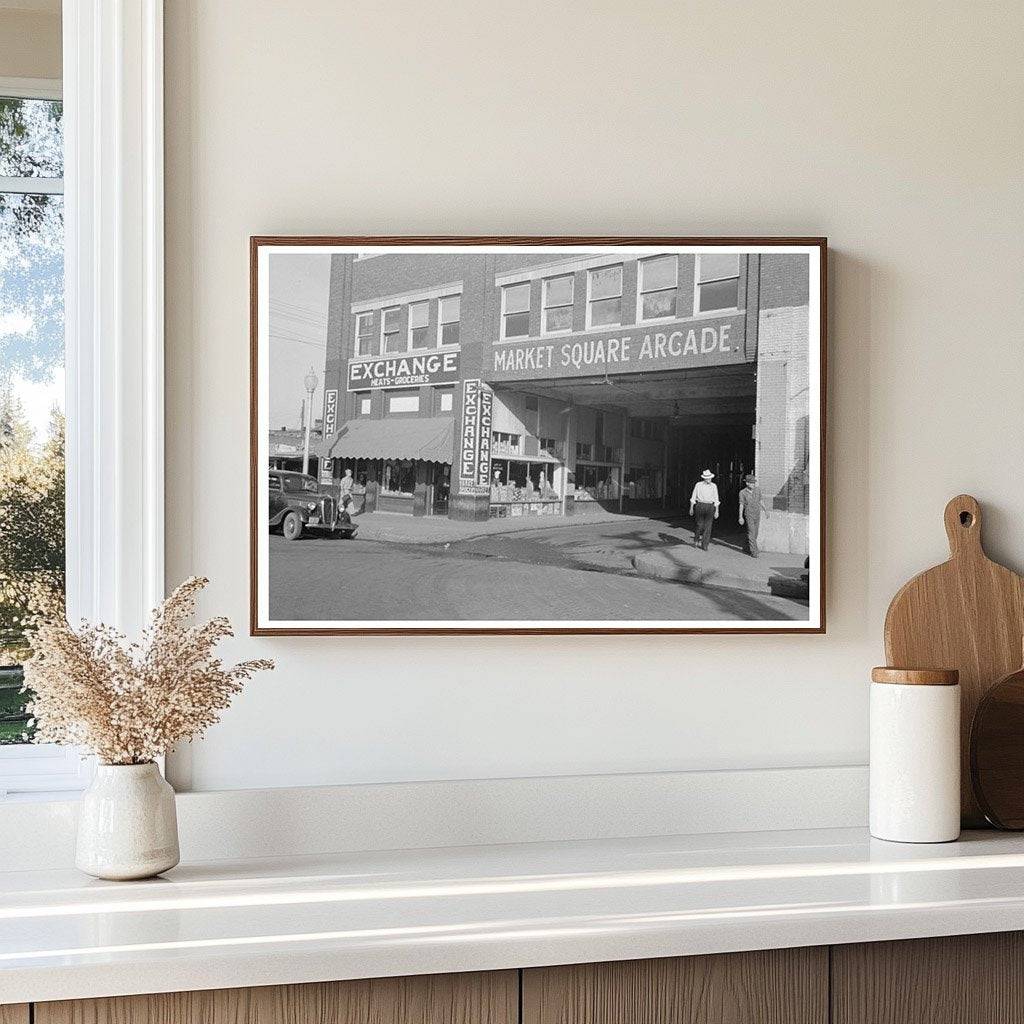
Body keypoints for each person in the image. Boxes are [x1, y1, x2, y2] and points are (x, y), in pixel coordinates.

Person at [688, 469, 720, 550]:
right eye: (707, 478)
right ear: (704, 478)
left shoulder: (714, 486)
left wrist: (717, 511)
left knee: (708, 526)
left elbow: (716, 499)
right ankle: (696, 538)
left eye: (710, 478)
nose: (709, 479)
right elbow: (693, 496)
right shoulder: (698, 485)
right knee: (700, 524)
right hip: (700, 505)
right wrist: (691, 508)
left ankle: (704, 545)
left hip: (710, 506)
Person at [738, 472, 768, 558]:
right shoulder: (742, 492)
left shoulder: (758, 490)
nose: (753, 484)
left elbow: (760, 500)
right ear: (747, 483)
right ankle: (754, 551)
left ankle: (746, 547)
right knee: (751, 533)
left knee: (755, 533)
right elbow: (741, 504)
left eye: (754, 482)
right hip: (749, 514)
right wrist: (740, 517)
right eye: (751, 482)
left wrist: (765, 510)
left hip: (757, 513)